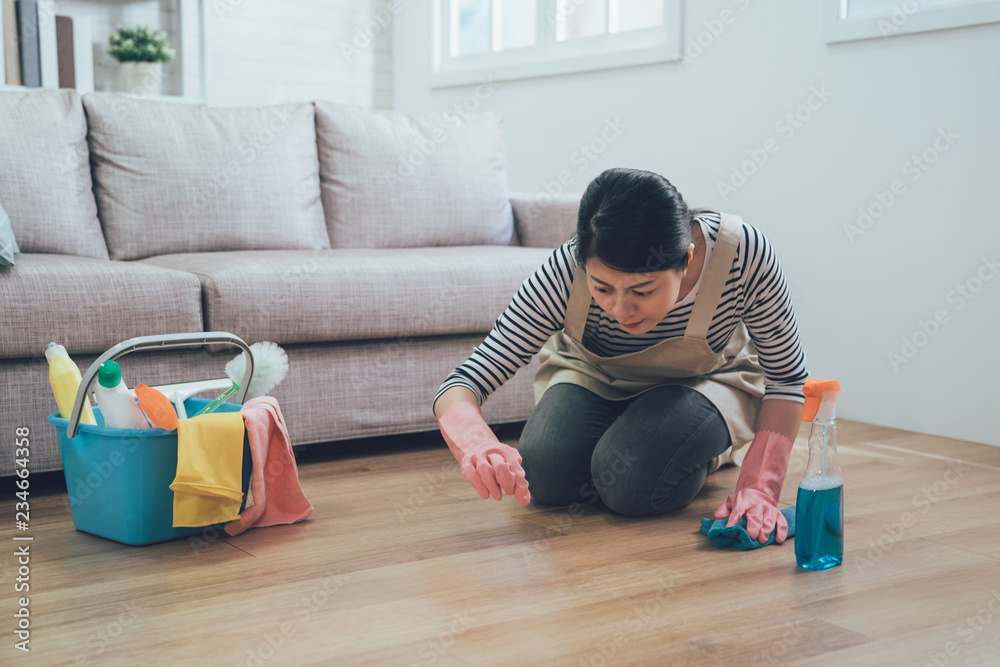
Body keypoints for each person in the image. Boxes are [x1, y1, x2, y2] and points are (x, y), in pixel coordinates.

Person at [433, 167, 808, 544]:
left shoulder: (741, 253)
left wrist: (760, 487)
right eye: (602, 288)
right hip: (594, 376)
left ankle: (706, 452)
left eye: (642, 290)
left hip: (706, 383)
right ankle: (640, 436)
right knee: (546, 475)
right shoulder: (564, 271)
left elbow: (786, 378)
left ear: (688, 259)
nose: (620, 309)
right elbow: (463, 382)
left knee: (632, 485)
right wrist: (476, 443)